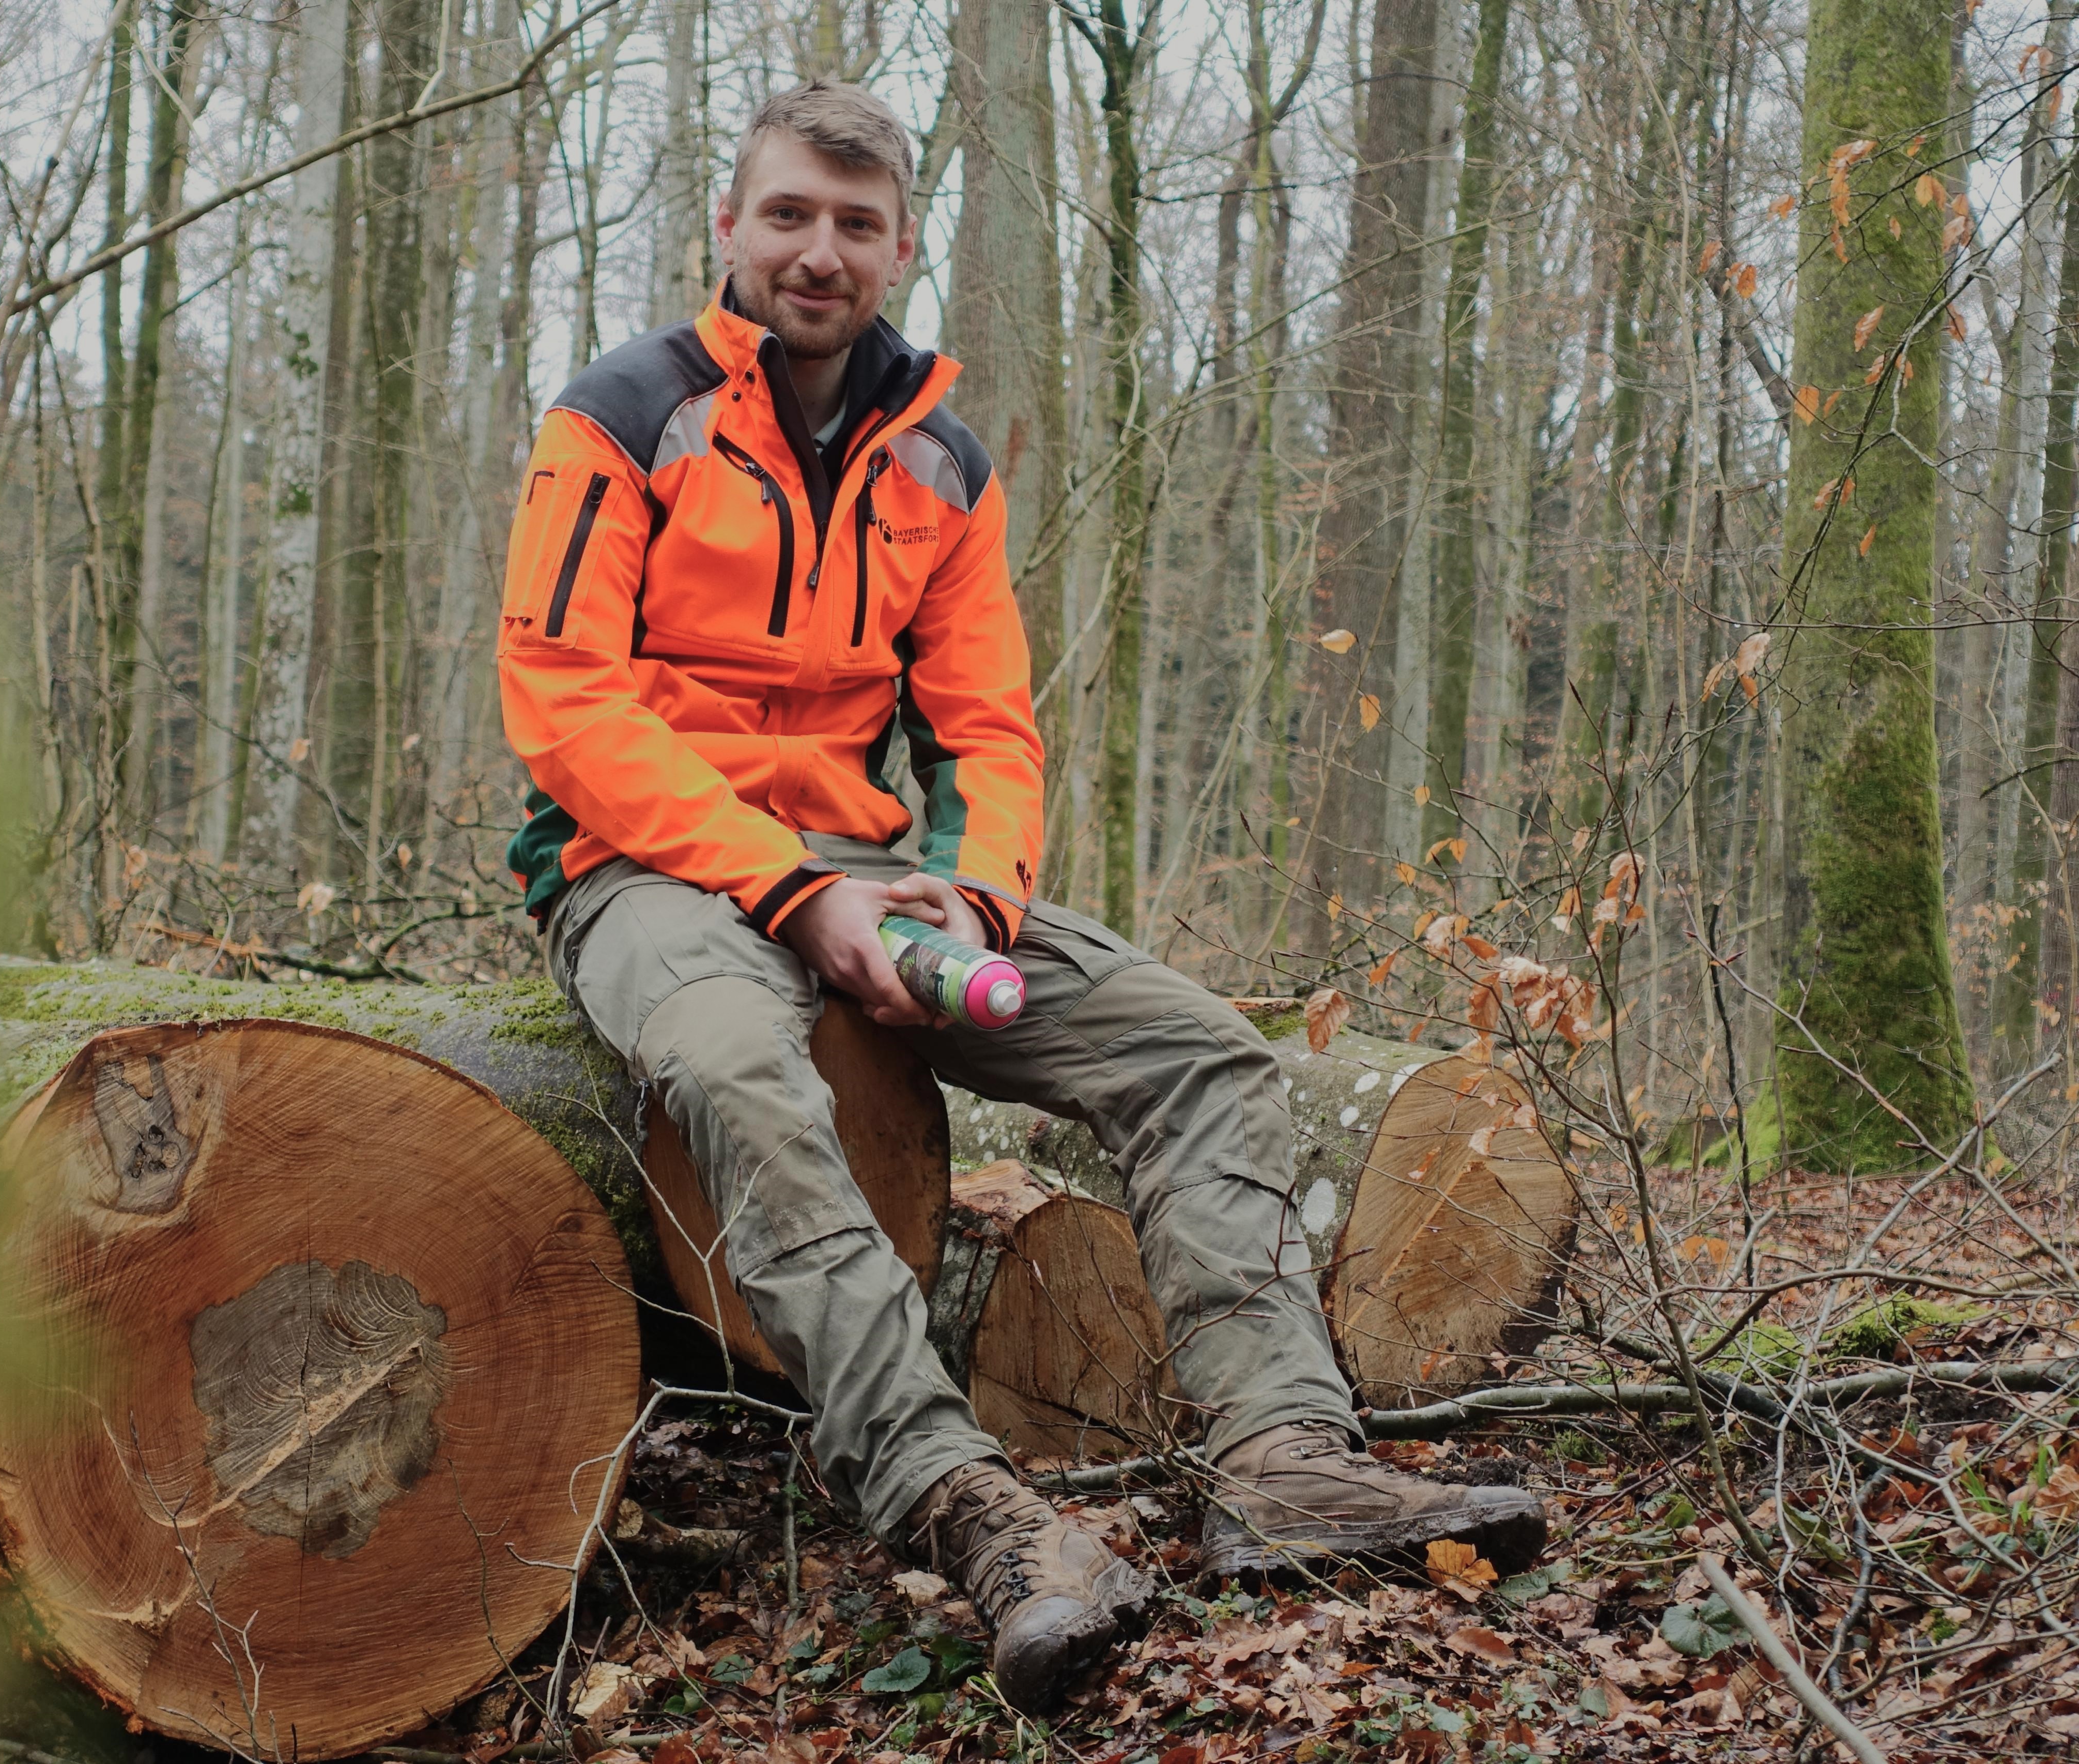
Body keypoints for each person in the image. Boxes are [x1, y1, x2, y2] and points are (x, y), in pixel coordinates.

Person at [495, 80, 1547, 1714]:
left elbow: (985, 723)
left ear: (903, 242)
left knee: (1197, 1048)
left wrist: (973, 909)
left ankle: (1286, 1461)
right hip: (645, 870)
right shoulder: (622, 416)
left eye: (856, 224)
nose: (820, 253)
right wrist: (788, 897)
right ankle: (960, 1502)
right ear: (730, 228)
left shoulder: (943, 464)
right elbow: (564, 700)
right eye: (789, 216)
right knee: (732, 1073)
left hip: (872, 868)